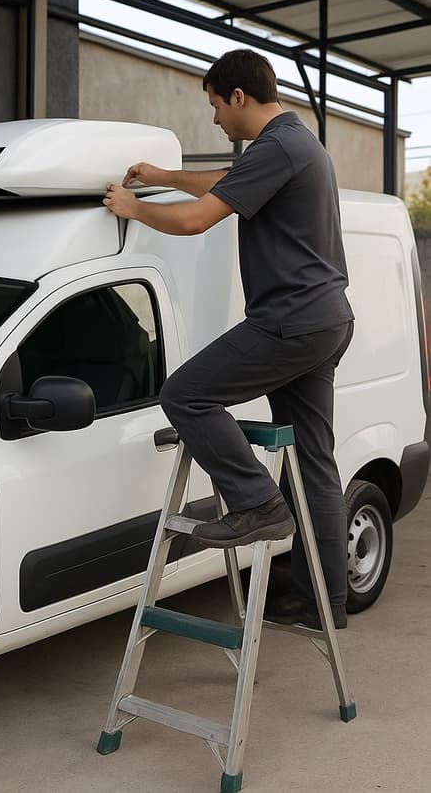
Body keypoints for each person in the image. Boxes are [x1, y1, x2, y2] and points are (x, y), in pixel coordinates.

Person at [103, 49, 354, 630]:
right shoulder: (296, 143)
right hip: (324, 319)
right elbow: (224, 182)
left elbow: (196, 220)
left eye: (215, 104)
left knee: (185, 394)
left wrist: (133, 207)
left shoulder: (279, 147)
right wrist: (166, 178)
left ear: (238, 96)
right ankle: (327, 602)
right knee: (314, 461)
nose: (215, 118)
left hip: (290, 321)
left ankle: (255, 503)